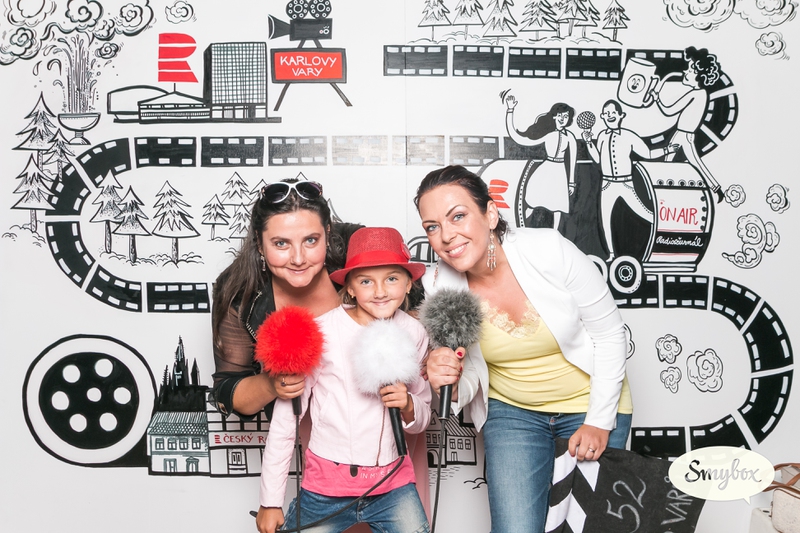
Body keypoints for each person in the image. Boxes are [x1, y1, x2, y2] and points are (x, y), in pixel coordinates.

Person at [415, 165, 632, 533]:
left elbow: (610, 334)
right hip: (513, 413)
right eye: (432, 227)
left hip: (590, 401)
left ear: (490, 214)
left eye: (458, 216)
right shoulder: (438, 285)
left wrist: (598, 421)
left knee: (591, 527)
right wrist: (443, 375)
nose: (446, 236)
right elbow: (467, 380)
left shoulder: (548, 250)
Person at [211, 179, 431, 527]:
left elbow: (413, 325)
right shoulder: (244, 295)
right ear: (259, 244)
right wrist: (274, 384)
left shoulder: (358, 250)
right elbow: (239, 396)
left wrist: (414, 394)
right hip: (325, 461)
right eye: (281, 243)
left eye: (311, 240)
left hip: (391, 467)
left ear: (328, 235)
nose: (298, 257)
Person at [257, 227, 432, 533]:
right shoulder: (322, 333)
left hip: (393, 486)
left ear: (408, 284)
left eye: (392, 279)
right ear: (350, 288)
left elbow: (423, 415)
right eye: (366, 281)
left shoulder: (414, 332)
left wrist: (408, 405)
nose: (380, 291)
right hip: (325, 489)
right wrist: (270, 501)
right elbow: (286, 419)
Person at [584, 99, 680, 260]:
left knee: (645, 213)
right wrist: (588, 142)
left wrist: (667, 149)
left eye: (613, 112)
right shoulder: (601, 136)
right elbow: (598, 160)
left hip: (625, 184)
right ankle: (612, 255)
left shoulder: (629, 136)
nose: (610, 115)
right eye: (606, 113)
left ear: (621, 115)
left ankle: (667, 235)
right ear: (602, 116)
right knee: (605, 219)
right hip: (607, 185)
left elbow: (648, 154)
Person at [654, 46, 724, 203]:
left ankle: (665, 193)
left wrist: (657, 99)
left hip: (684, 135)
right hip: (683, 134)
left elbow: (669, 110)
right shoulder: (702, 94)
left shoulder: (695, 94)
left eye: (690, 70)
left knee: (686, 163)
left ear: (699, 75)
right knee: (673, 162)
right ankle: (715, 189)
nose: (685, 71)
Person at [505, 96, 577, 230]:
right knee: (531, 201)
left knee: (558, 206)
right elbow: (519, 139)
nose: (562, 118)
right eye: (560, 115)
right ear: (554, 116)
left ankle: (555, 233)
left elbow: (573, 159)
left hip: (559, 173)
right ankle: (523, 228)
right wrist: (510, 110)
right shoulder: (548, 135)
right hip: (545, 170)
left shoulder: (571, 137)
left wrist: (571, 182)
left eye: (566, 116)